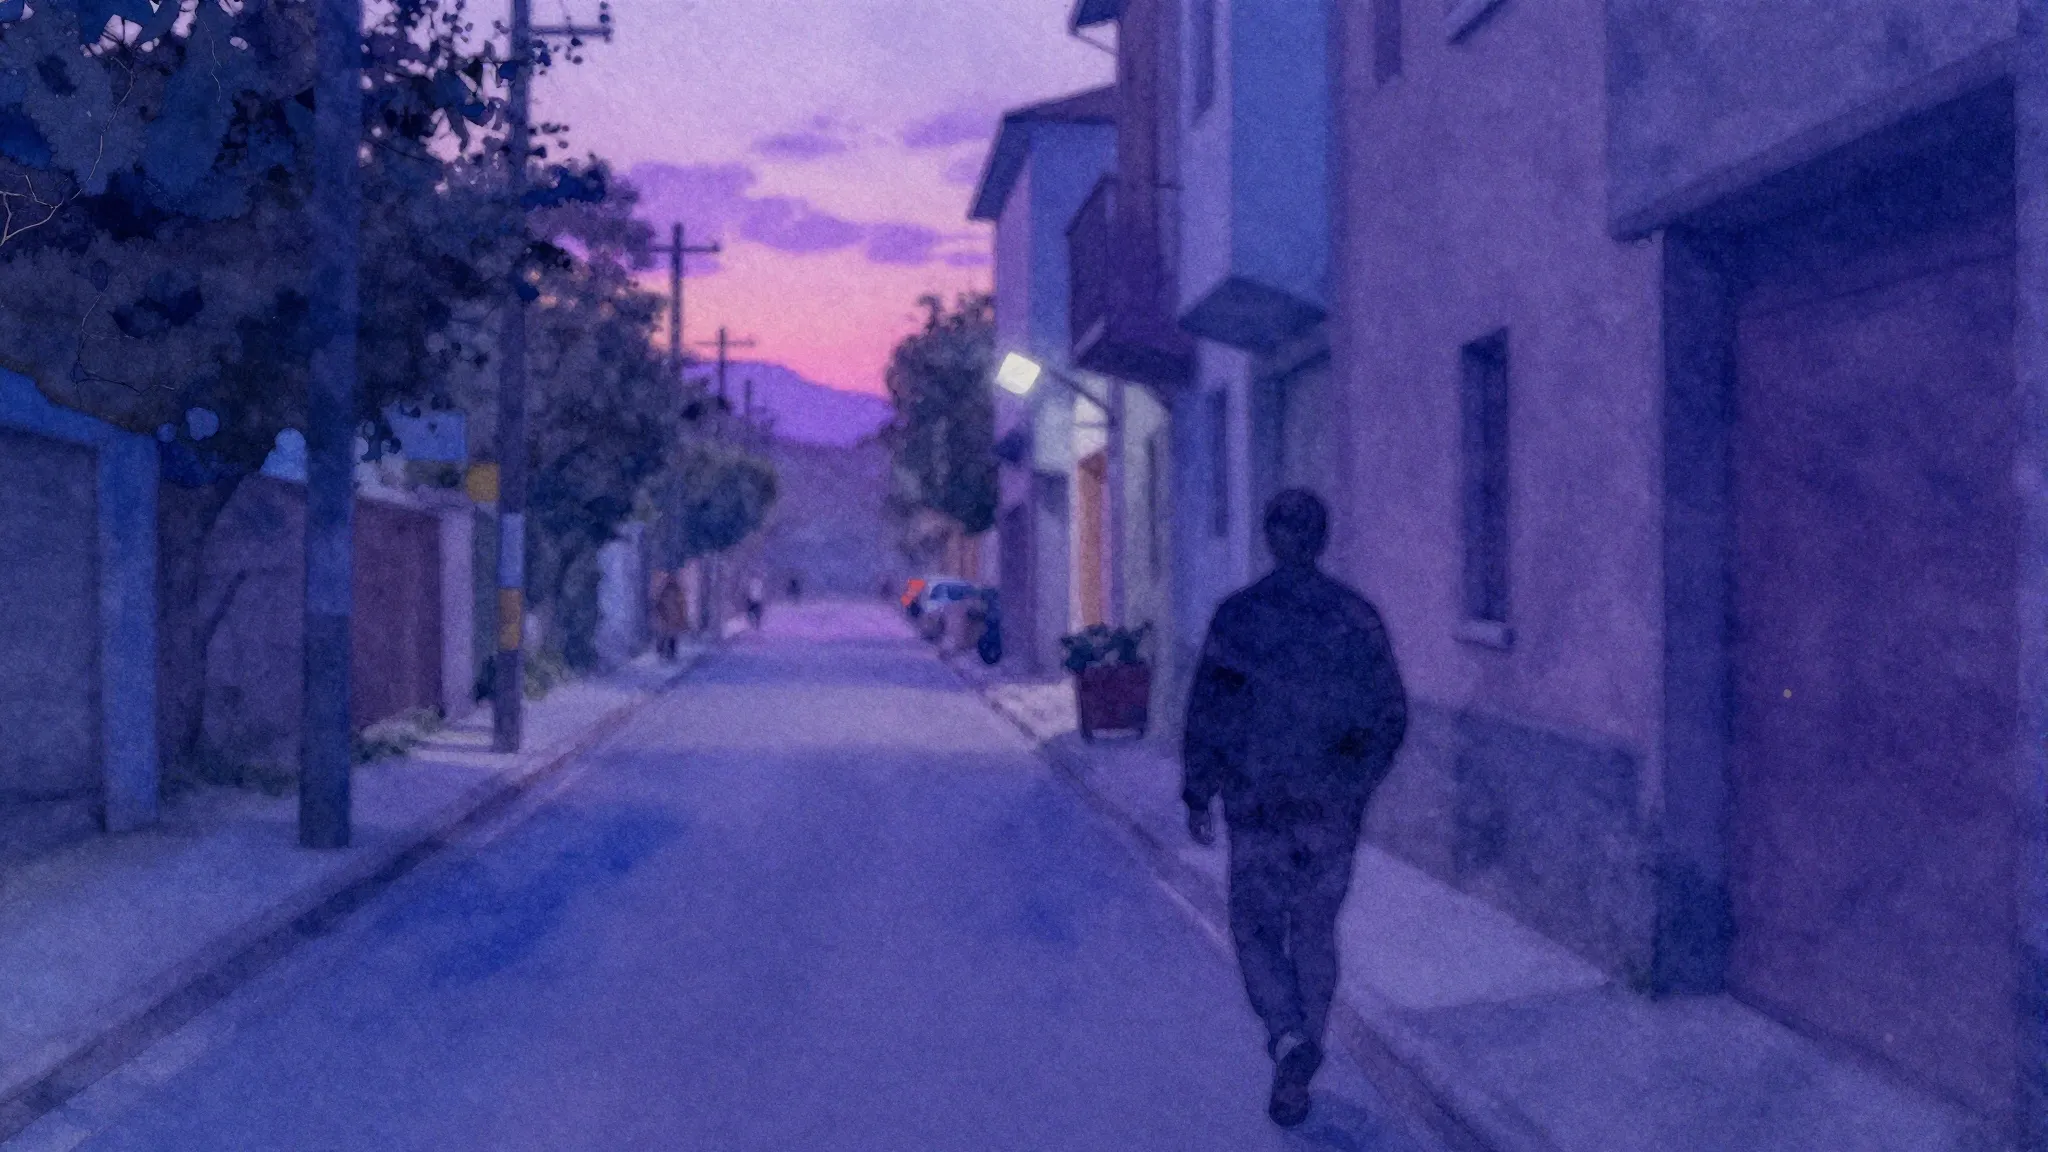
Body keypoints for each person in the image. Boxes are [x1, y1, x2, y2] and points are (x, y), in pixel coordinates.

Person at [1181, 488, 1408, 1129]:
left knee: (1256, 927)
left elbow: (1210, 710)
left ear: (1270, 539)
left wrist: (1199, 791)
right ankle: (1303, 1041)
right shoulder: (1356, 619)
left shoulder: (1239, 617)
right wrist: (1354, 784)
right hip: (1329, 810)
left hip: (1257, 806)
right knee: (1314, 928)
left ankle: (1287, 1035)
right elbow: (1390, 715)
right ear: (1322, 539)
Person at [652, 571, 689, 661]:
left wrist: (681, 616)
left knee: (669, 636)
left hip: (671, 618)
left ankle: (667, 653)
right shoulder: (669, 592)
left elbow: (681, 605)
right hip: (668, 617)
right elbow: (660, 604)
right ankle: (665, 653)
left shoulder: (669, 591)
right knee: (667, 635)